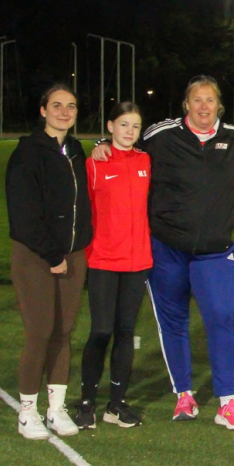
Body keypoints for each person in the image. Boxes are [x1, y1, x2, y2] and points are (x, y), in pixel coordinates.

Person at [92, 75, 234, 430]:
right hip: (166, 248)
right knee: (173, 323)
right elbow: (126, 141)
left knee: (222, 319)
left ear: (219, 105)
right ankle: (185, 395)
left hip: (214, 251)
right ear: (186, 105)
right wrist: (104, 141)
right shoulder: (161, 135)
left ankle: (228, 401)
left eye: (210, 100)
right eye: (197, 100)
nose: (204, 106)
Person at [6, 84, 92, 439]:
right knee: (39, 332)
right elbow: (24, 214)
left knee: (63, 332)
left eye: (70, 106)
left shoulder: (75, 149)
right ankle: (27, 411)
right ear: (43, 110)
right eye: (56, 105)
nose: (64, 112)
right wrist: (52, 254)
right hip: (37, 256)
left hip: (71, 255)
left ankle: (56, 409)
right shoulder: (28, 153)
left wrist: (74, 249)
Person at [73, 102, 151, 429]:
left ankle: (116, 404)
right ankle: (86, 400)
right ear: (110, 126)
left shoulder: (146, 160)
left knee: (125, 332)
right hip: (104, 258)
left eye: (135, 126)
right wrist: (98, 148)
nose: (129, 131)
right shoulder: (94, 163)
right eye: (123, 124)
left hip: (137, 261)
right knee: (101, 330)